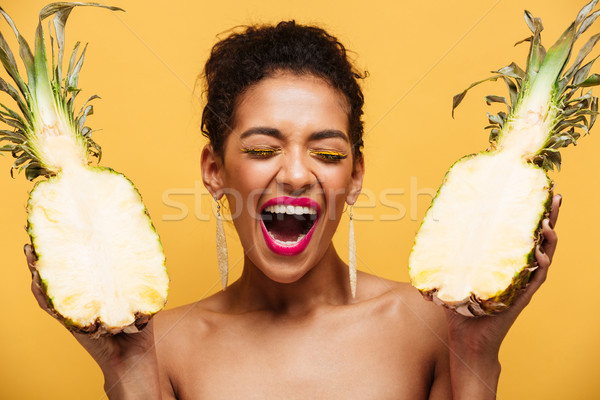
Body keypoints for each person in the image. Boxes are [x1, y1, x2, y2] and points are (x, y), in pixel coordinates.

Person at [25, 21, 560, 399]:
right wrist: (127, 368)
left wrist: (478, 347)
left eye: (328, 153)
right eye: (262, 149)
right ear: (214, 170)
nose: (299, 173)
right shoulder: (161, 345)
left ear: (355, 177)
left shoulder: (433, 326)